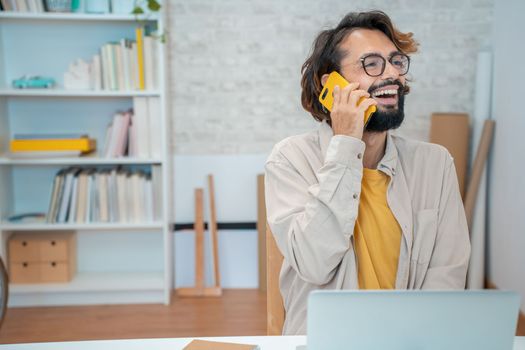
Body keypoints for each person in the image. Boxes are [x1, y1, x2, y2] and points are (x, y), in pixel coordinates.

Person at [264, 10, 471, 335]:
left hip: (410, 341)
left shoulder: (435, 164)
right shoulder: (291, 159)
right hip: (326, 340)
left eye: (396, 61)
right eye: (371, 64)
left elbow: (447, 276)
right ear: (330, 84)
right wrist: (346, 142)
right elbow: (313, 262)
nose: (391, 74)